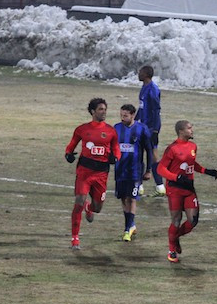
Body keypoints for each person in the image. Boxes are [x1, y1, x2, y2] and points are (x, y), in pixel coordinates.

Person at [157, 120, 217, 263]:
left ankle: (175, 236)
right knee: (177, 220)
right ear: (181, 131)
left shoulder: (193, 146)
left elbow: (191, 164)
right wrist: (176, 177)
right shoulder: (172, 149)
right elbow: (160, 169)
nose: (192, 130)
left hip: (189, 188)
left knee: (193, 220)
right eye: (189, 128)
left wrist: (206, 171)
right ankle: (172, 249)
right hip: (175, 189)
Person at [65, 98, 120, 250]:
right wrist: (68, 154)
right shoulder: (82, 129)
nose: (104, 112)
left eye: (105, 109)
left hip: (101, 173)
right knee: (79, 201)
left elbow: (116, 149)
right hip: (84, 172)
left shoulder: (110, 131)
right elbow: (71, 146)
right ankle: (75, 239)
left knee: (98, 208)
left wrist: (115, 157)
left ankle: (89, 208)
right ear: (92, 112)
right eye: (101, 109)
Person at [113, 104, 153, 242]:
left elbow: (149, 150)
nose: (123, 118)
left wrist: (149, 170)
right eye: (121, 115)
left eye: (125, 115)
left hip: (135, 171)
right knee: (123, 198)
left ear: (133, 115)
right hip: (119, 170)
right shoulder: (116, 128)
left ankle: (127, 229)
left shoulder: (142, 129)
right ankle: (131, 224)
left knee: (132, 198)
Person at [136, 65, 166, 195]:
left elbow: (156, 110)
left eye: (140, 72)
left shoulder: (153, 89)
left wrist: (155, 131)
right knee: (139, 154)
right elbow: (142, 107)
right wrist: (134, 120)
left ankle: (159, 186)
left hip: (150, 127)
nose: (138, 74)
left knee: (153, 156)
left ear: (146, 74)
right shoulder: (144, 87)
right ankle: (139, 186)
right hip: (142, 126)